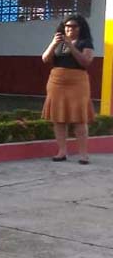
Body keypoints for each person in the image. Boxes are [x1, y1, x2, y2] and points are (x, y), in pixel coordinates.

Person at [41, 14, 95, 164]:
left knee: (79, 119)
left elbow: (86, 62)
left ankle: (83, 154)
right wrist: (53, 43)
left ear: (80, 28)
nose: (70, 29)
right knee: (58, 119)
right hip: (57, 81)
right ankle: (62, 151)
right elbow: (45, 59)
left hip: (77, 82)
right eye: (67, 26)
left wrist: (71, 46)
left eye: (73, 26)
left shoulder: (86, 43)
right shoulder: (58, 42)